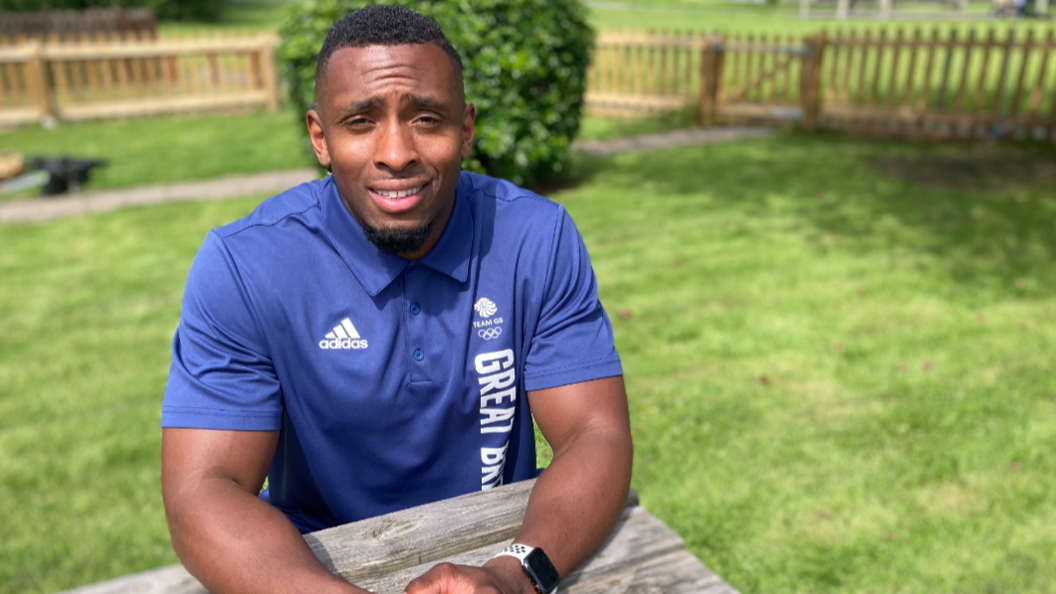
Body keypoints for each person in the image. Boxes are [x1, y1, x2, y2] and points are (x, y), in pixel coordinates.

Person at [160, 5, 632, 594]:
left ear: (465, 131)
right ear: (320, 138)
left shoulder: (536, 238)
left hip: (501, 542)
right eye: (360, 122)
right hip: (314, 564)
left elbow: (597, 433)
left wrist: (515, 576)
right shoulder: (244, 266)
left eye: (427, 119)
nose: (395, 152)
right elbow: (202, 490)